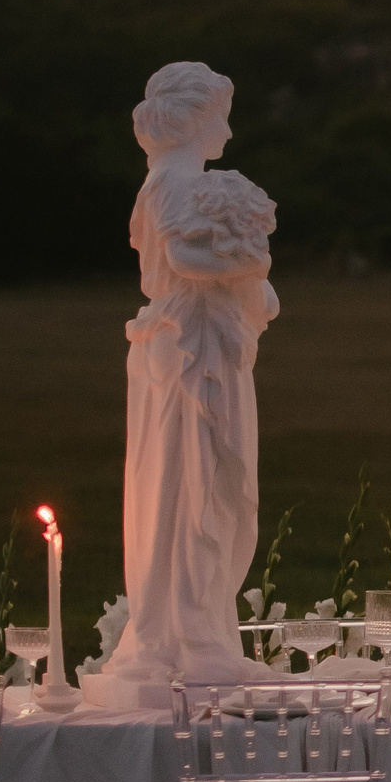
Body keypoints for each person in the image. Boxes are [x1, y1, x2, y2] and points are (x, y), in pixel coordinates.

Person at [92, 61, 281, 701]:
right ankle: (194, 638)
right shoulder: (177, 181)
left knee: (208, 486)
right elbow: (182, 258)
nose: (228, 130)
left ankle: (200, 633)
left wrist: (248, 270)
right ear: (198, 119)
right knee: (200, 486)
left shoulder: (168, 179)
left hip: (198, 345)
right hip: (192, 352)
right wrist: (251, 259)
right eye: (222, 115)